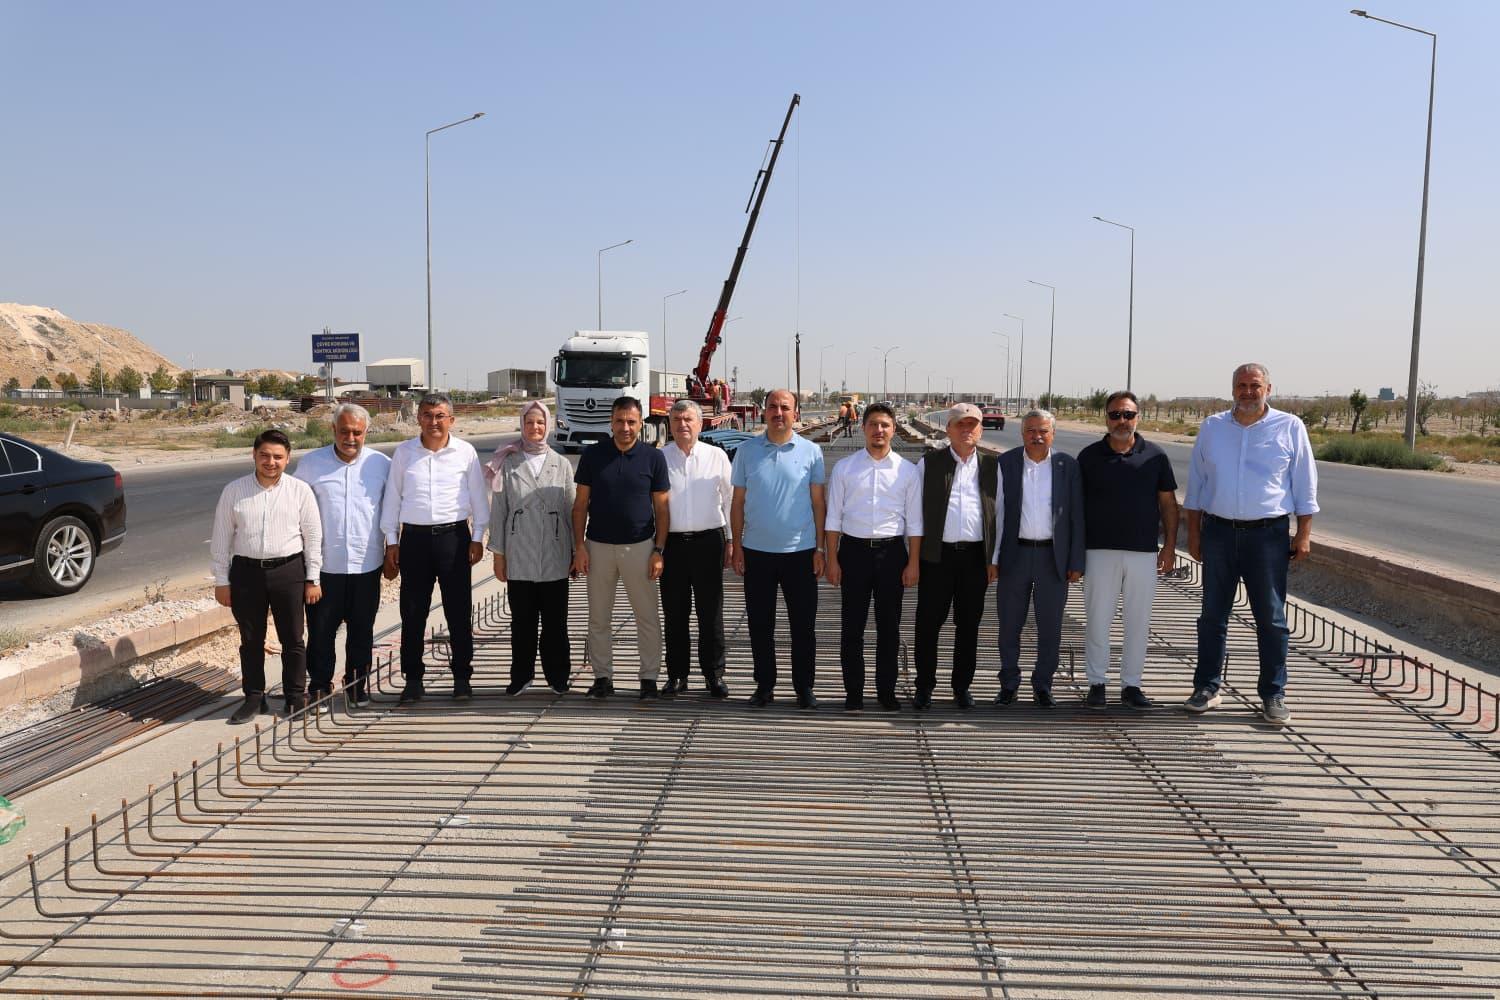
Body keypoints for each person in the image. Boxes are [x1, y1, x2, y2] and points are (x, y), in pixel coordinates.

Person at [1183, 363, 1318, 725]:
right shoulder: (1212, 427)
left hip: (1267, 536)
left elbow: (1304, 484)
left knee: (1271, 618)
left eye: (1254, 385)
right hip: (1218, 533)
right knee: (1212, 616)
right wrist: (1193, 534)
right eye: (1241, 385)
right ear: (1232, 389)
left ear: (1268, 389)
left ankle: (1273, 693)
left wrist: (1303, 533)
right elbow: (1196, 484)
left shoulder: (1290, 427)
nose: (1247, 391)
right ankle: (1207, 687)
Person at [381, 392, 489, 703]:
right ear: (418, 418)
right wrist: (392, 541)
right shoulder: (404, 453)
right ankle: (413, 679)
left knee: (459, 611)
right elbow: (393, 498)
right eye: (427, 415)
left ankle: (462, 678)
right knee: (413, 612)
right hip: (414, 541)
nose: (434, 422)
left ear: (451, 420)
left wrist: (477, 537)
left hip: (454, 539)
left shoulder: (465, 453)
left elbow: (478, 498)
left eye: (440, 415)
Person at [210, 428, 323, 723]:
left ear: (287, 459)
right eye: (264, 455)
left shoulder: (300, 491)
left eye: (277, 457)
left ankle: (295, 697)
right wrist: (221, 581)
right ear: (254, 455)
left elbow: (313, 537)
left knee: (293, 638)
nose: (270, 462)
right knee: (251, 639)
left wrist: (313, 578)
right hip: (246, 574)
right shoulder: (234, 491)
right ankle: (254, 697)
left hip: (289, 571)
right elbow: (221, 538)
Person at [1076, 391, 1179, 710]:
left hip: (1143, 553)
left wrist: (1169, 547)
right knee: (1098, 620)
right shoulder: (1089, 457)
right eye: (1115, 415)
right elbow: (1075, 507)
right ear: (1106, 418)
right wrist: (1074, 553)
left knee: (1138, 621)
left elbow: (1168, 504)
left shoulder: (1156, 456)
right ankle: (1096, 683)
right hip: (1098, 552)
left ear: (1138, 417)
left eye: (1128, 415)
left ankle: (1131, 685)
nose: (1122, 421)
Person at [731, 388, 827, 709]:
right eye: (772, 406)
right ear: (764, 411)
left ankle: (804, 687)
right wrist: (737, 546)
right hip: (756, 552)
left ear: (795, 413)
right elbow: (738, 502)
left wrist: (820, 549)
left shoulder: (812, 452)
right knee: (760, 625)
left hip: (800, 552)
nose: (778, 412)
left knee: (803, 626)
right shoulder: (746, 451)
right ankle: (764, 685)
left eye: (785, 407)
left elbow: (818, 504)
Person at [571, 396, 670, 700]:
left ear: (641, 424)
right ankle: (603, 678)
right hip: (598, 548)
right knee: (598, 618)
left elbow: (662, 509)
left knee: (647, 617)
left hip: (640, 548)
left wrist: (658, 551)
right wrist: (579, 547)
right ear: (610, 422)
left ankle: (649, 679)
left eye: (631, 422)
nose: (625, 427)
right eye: (619, 421)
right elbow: (580, 505)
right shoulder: (593, 456)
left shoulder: (654, 458)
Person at [824, 401, 921, 711]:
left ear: (893, 429)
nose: (879, 430)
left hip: (892, 554)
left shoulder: (907, 471)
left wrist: (913, 562)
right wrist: (831, 559)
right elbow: (833, 518)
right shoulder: (845, 468)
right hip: (853, 552)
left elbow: (915, 522)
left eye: (885, 425)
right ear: (863, 427)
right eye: (873, 424)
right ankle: (854, 692)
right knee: (852, 626)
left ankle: (886, 691)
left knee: (889, 627)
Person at [295, 403, 389, 711]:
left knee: (362, 630)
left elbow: (392, 511)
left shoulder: (381, 464)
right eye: (344, 431)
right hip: (325, 566)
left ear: (366, 432)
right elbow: (296, 511)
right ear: (333, 429)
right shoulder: (311, 464)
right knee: (321, 631)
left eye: (357, 432)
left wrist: (393, 548)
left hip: (367, 564)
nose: (350, 438)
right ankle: (320, 687)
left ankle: (356, 686)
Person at [992, 409, 1085, 708]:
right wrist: (993, 558)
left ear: (1053, 434)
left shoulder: (1067, 465)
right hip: (1014, 555)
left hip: (1053, 559)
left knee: (1050, 627)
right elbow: (996, 513)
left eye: (1043, 431)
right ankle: (1008, 684)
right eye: (1031, 430)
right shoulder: (1006, 463)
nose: (1037, 436)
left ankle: (1043, 685)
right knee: (1009, 625)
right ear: (1022, 433)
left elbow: (1077, 516)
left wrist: (1076, 561)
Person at [913, 403, 999, 711]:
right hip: (937, 557)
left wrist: (993, 559)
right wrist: (914, 558)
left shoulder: (993, 466)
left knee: (968, 625)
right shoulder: (929, 463)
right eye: (960, 424)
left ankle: (962, 687)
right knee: (928, 624)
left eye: (972, 425)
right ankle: (924, 686)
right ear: (948, 429)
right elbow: (914, 513)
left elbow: (999, 514)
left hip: (975, 558)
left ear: (980, 430)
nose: (966, 430)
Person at [487, 401, 576, 696]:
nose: (535, 428)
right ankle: (521, 676)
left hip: (554, 552)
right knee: (522, 622)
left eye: (540, 422)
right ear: (522, 425)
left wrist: (576, 551)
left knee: (555, 623)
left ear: (547, 425)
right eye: (529, 422)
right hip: (519, 552)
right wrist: (499, 555)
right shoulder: (508, 462)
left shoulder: (561, 464)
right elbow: (499, 510)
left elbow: (571, 509)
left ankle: (557, 676)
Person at [660, 399, 733, 699]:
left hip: (709, 542)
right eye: (677, 420)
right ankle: (677, 675)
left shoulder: (717, 456)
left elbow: (729, 500)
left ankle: (714, 675)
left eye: (689, 419)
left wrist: (731, 540)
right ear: (669, 424)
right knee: (675, 613)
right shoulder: (660, 458)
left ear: (701, 424)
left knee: (710, 612)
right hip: (672, 545)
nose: (683, 425)